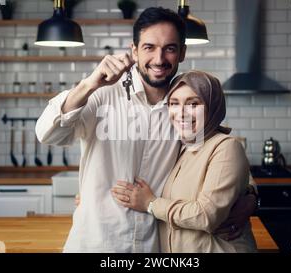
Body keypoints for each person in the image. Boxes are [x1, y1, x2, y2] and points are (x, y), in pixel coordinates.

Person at [36, 7, 257, 253]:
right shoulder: (102, 93)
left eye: (170, 48)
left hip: (154, 247)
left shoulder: (182, 107)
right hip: (96, 243)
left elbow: (222, 158)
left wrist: (251, 196)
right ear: (134, 51)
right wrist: (89, 84)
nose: (159, 59)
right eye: (149, 47)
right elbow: (47, 133)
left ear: (182, 53)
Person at [111, 71, 257, 252]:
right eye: (174, 103)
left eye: (193, 104)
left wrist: (150, 203)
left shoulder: (226, 146)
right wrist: (251, 195)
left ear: (213, 106)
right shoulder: (180, 146)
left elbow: (206, 216)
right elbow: (243, 178)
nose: (181, 113)